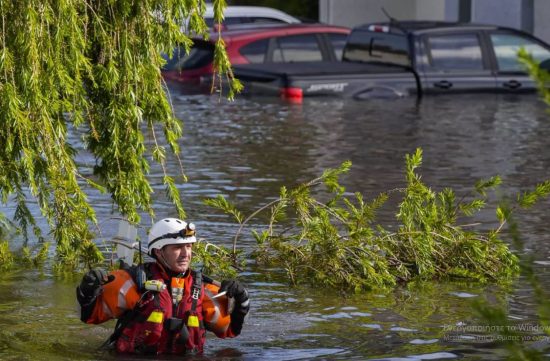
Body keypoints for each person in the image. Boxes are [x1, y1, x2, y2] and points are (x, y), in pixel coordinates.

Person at [76, 218, 249, 355]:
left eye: (188, 246)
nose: (186, 254)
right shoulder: (131, 283)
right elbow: (90, 316)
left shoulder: (202, 289)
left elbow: (229, 330)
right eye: (178, 248)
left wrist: (241, 301)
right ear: (158, 251)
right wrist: (88, 291)